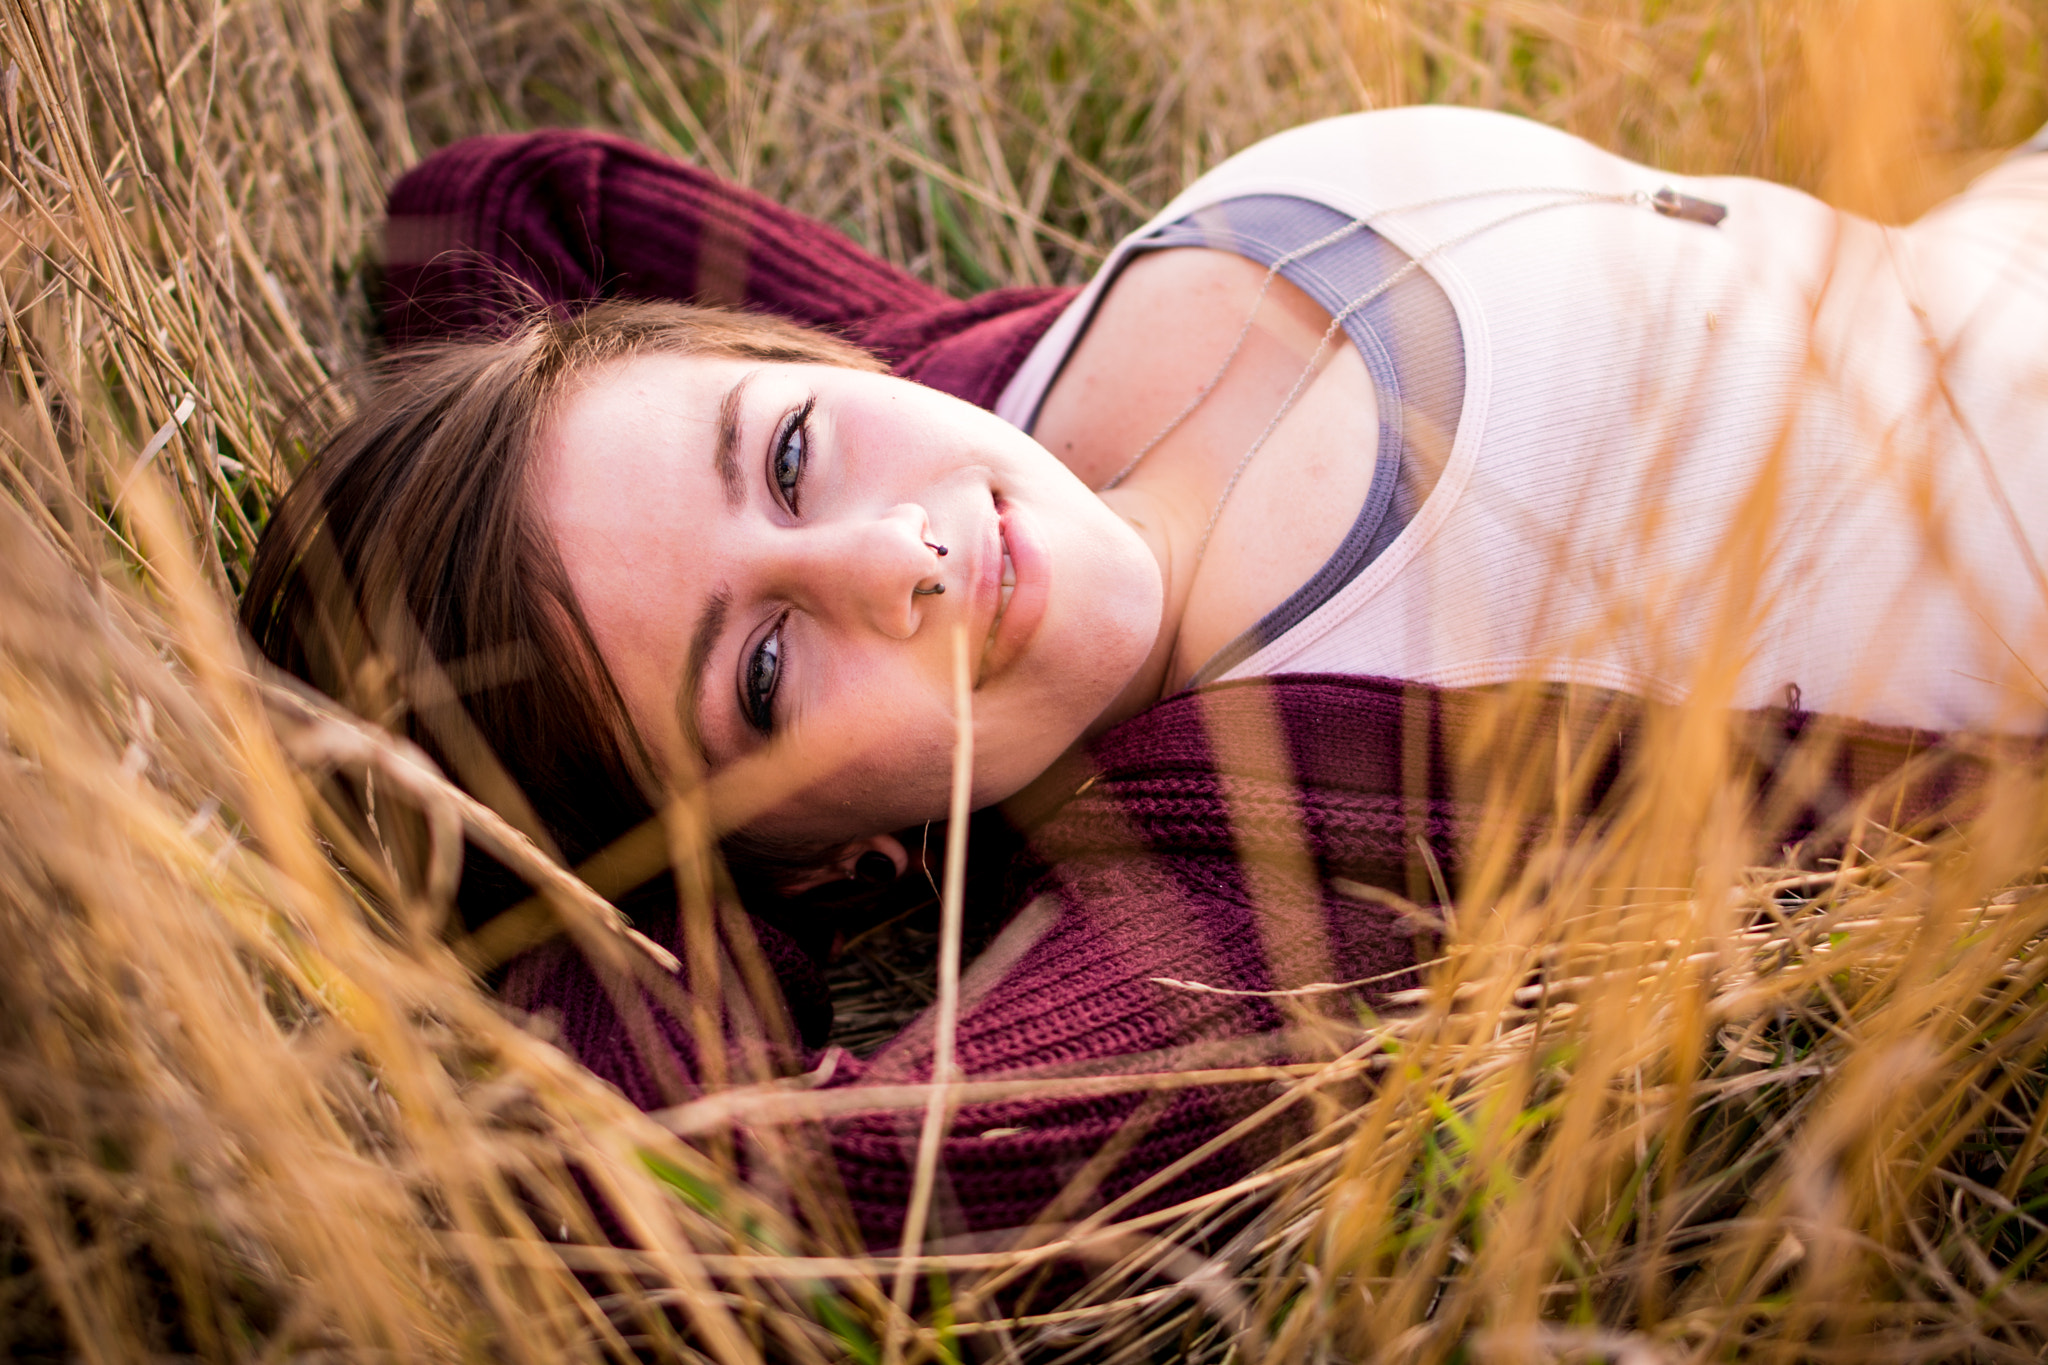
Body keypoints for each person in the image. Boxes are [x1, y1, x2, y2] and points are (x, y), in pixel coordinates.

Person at [242, 107, 2044, 1250]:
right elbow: (754, 1179)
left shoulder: (979, 387)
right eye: (768, 673)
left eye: (785, 457)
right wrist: (665, 893)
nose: (899, 558)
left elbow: (492, 208)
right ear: (819, 860)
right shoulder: (1246, 881)